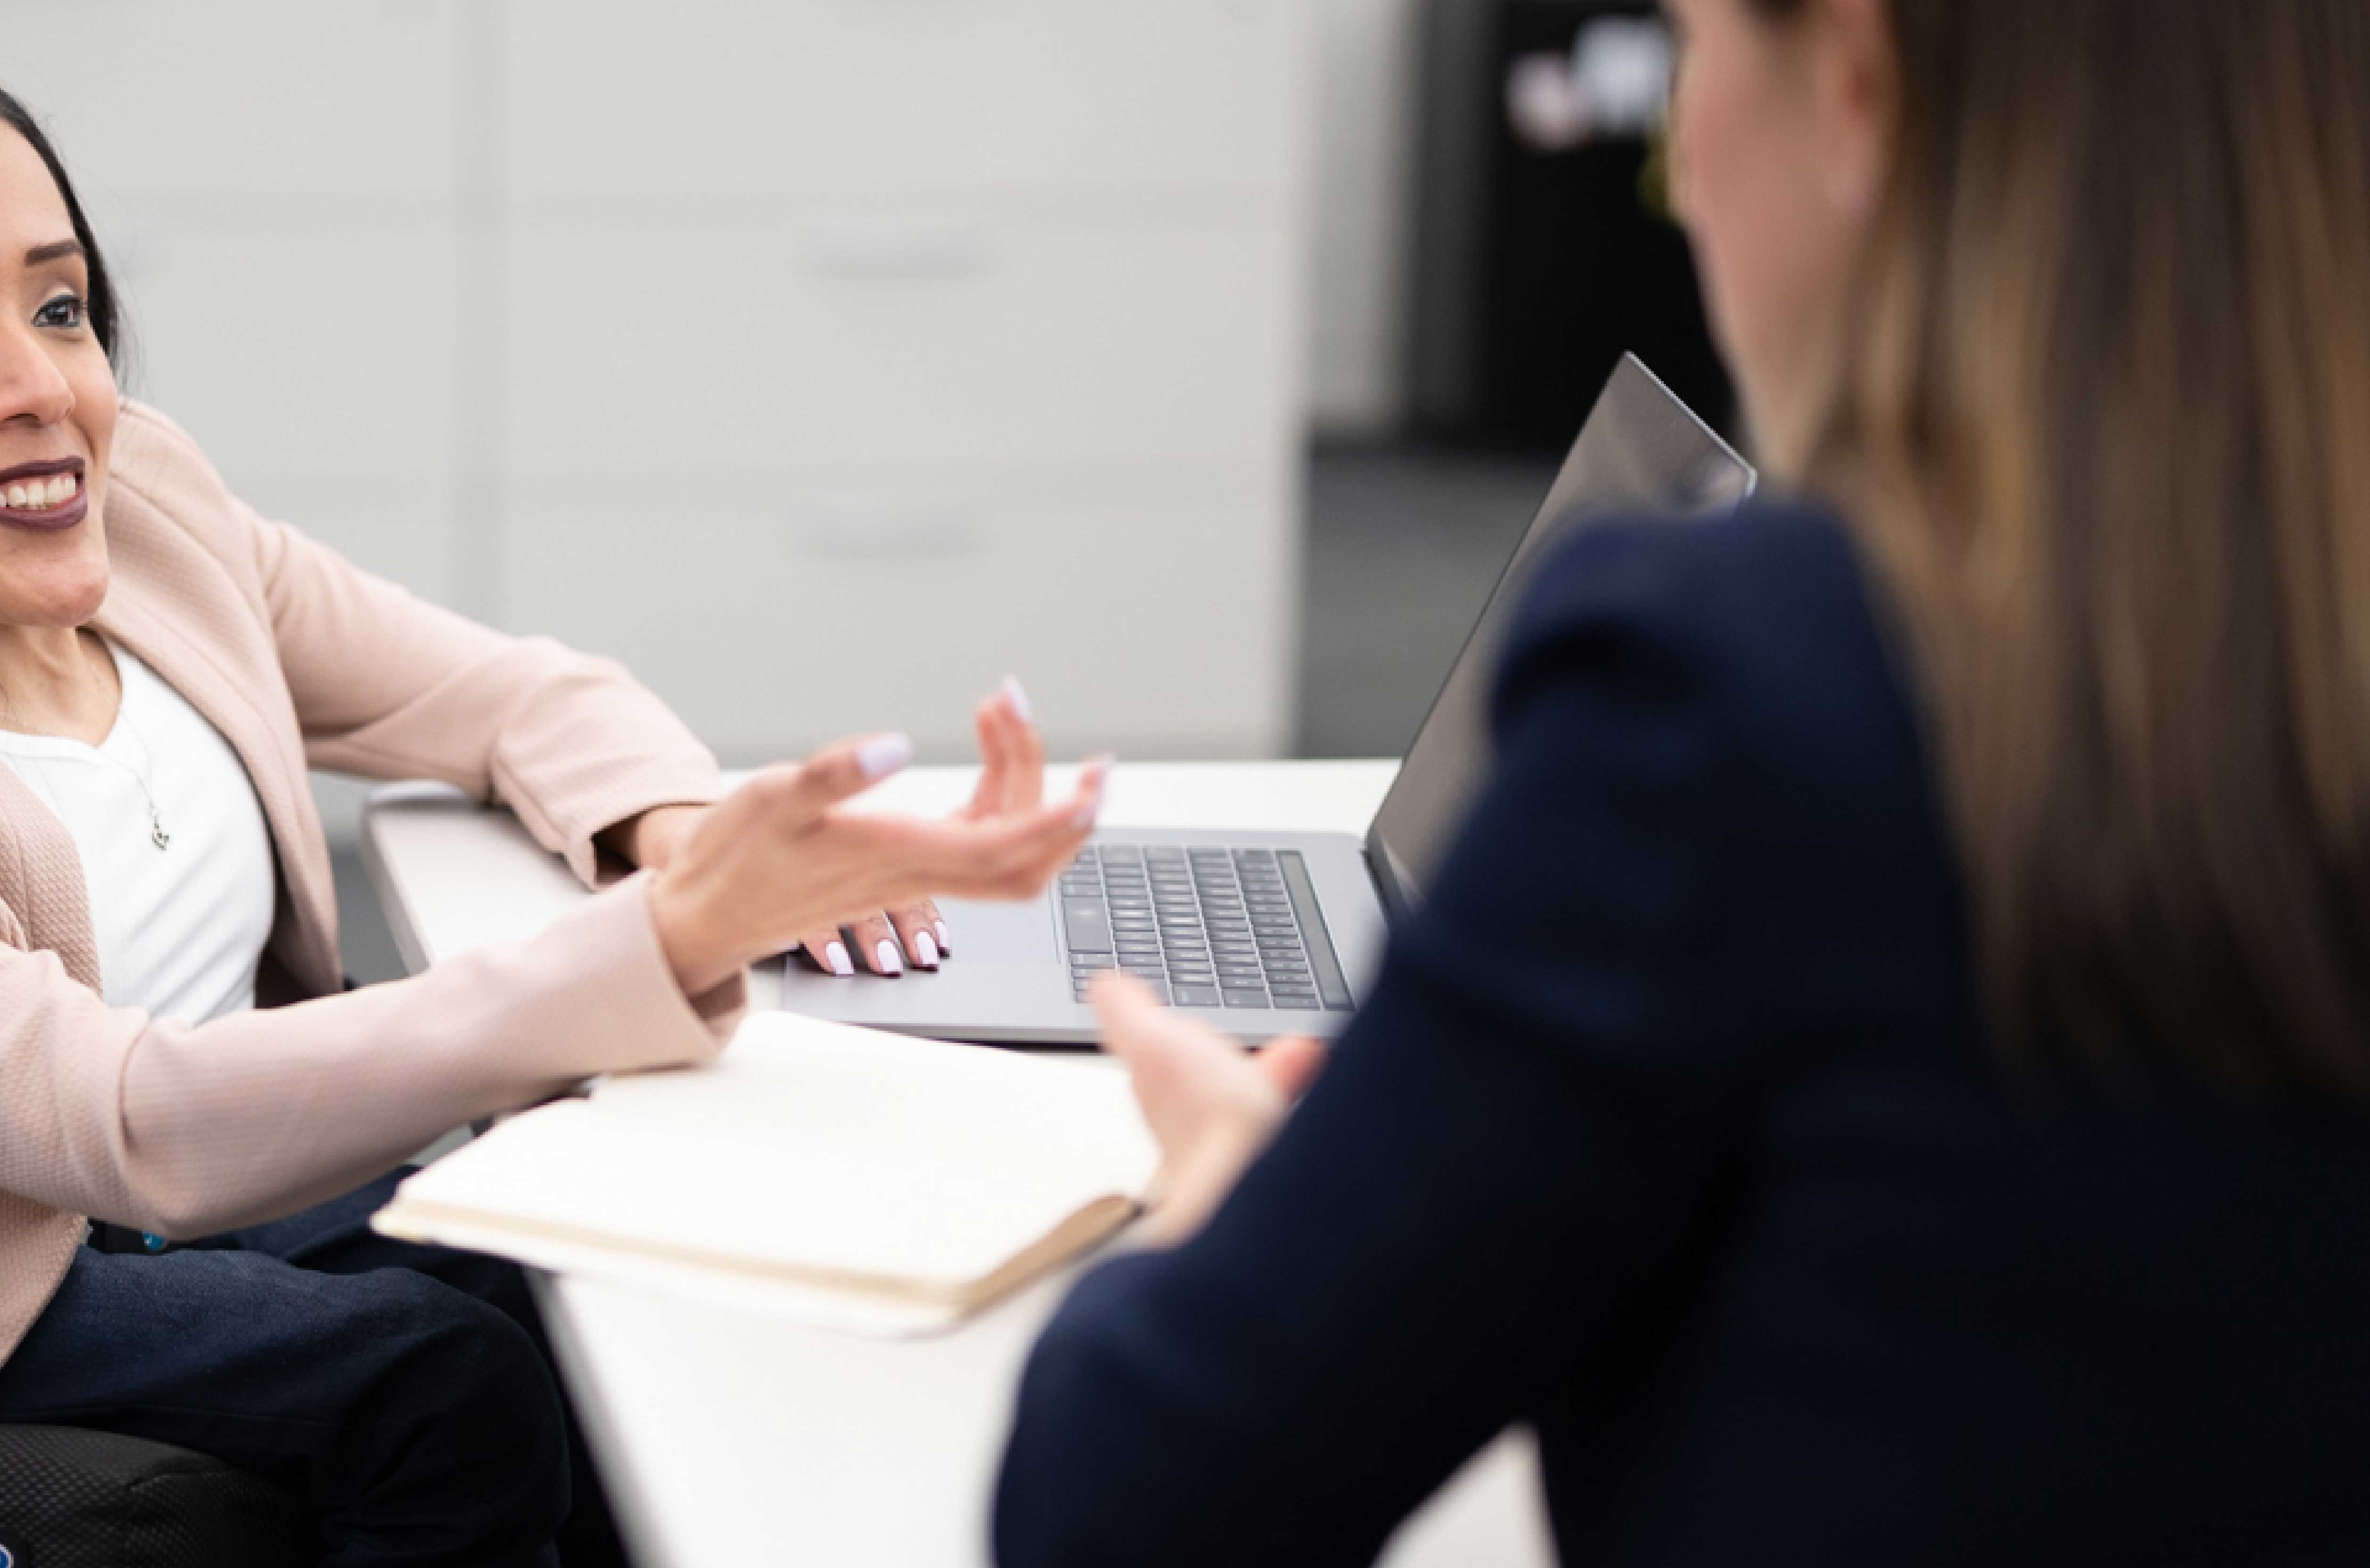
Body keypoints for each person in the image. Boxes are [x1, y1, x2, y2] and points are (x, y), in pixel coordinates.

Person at [0, 38, 1106, 1568]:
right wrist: (668, 942)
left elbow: (510, 697)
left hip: (175, 1183)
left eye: (60, 305)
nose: (41, 386)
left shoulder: (150, 510)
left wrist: (680, 838)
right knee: (441, 1379)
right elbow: (123, 1123)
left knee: (619, 1269)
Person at [998, 0, 2370, 1563]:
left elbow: (1113, 1512)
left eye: (1689, 55)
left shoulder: (1739, 692)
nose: (1685, 167)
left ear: (1854, 83)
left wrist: (1230, 1190)